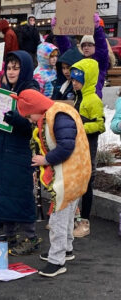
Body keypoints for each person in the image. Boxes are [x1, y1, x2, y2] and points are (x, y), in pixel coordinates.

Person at [14, 89, 91, 277]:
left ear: (36, 108)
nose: (30, 120)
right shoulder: (57, 112)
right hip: (77, 172)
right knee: (68, 213)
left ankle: (57, 261)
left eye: (29, 115)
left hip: (69, 175)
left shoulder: (58, 117)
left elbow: (66, 146)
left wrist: (45, 160)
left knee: (58, 217)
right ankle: (66, 249)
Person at [0, 50, 42, 256]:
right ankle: (9, 235)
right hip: (3, 148)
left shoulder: (30, 91)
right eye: (9, 67)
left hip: (21, 150)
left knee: (20, 192)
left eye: (16, 67)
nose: (11, 71)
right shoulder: (4, 90)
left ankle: (30, 236)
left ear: (24, 68)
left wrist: (12, 118)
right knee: (4, 191)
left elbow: (33, 126)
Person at [70, 58, 105, 238]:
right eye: (73, 80)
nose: (74, 83)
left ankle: (84, 222)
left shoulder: (93, 100)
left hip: (88, 147)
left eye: (78, 80)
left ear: (88, 79)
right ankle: (73, 219)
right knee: (76, 182)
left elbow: (100, 125)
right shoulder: (77, 98)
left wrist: (81, 127)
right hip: (76, 147)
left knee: (87, 183)